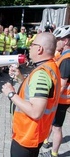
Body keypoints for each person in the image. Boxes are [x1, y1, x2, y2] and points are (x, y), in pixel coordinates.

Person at [2, 32, 61, 157]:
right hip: (36, 133)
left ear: (39, 49)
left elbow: (36, 112)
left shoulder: (41, 73)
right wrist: (20, 78)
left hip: (27, 136)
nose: (29, 47)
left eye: (32, 44)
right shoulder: (50, 66)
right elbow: (33, 93)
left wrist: (11, 94)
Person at [40, 25, 70, 157]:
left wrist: (50, 97)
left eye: (58, 39)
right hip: (62, 99)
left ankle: (54, 154)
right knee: (53, 122)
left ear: (66, 41)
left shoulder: (66, 59)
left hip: (62, 99)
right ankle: (47, 141)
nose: (55, 42)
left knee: (57, 126)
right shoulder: (63, 55)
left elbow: (62, 85)